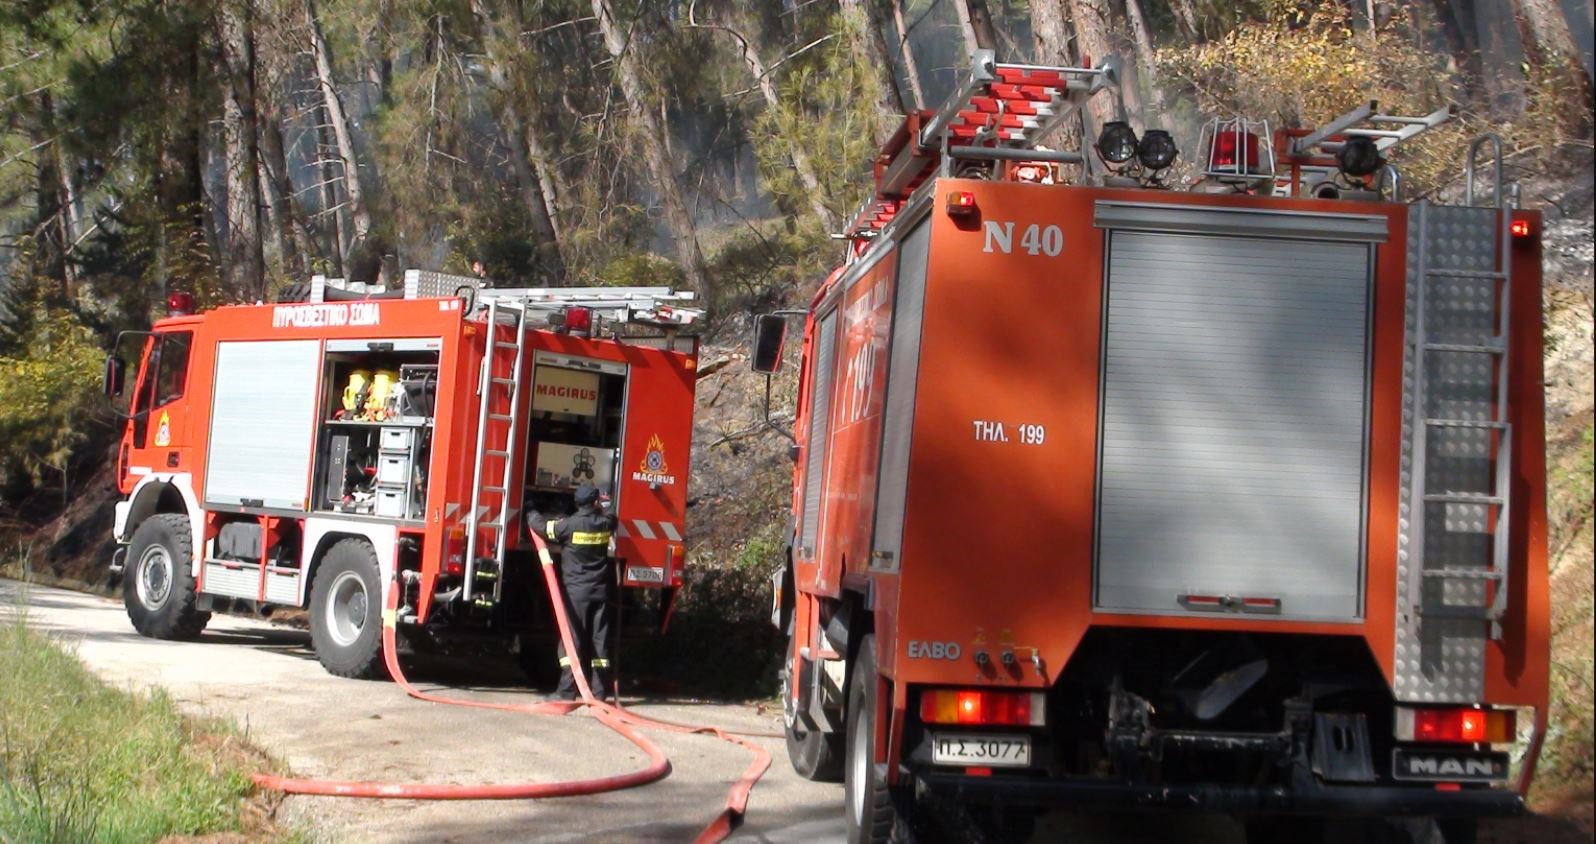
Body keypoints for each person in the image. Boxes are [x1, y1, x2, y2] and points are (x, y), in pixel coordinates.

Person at [526, 483, 616, 702]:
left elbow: (542, 527)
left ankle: (566, 691)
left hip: (577, 593)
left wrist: (531, 509)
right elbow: (612, 512)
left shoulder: (568, 526)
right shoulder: (606, 523)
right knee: (600, 642)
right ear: (594, 502)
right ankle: (599, 693)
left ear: (576, 502)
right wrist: (606, 496)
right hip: (601, 593)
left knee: (571, 640)